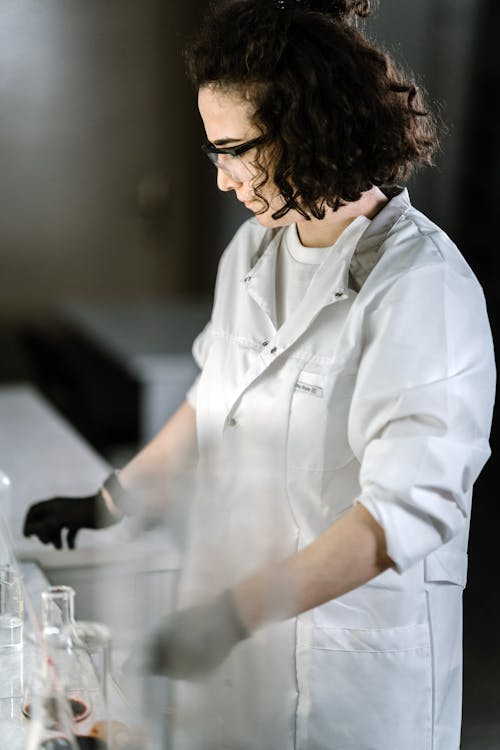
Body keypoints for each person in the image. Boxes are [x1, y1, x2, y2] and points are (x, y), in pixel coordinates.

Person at [24, 1, 496, 748]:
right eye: (215, 153)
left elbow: (402, 514)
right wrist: (109, 501)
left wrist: (239, 610)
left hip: (349, 674)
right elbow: (215, 401)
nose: (223, 180)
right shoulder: (252, 253)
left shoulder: (421, 288)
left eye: (236, 149)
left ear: (312, 123)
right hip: (246, 656)